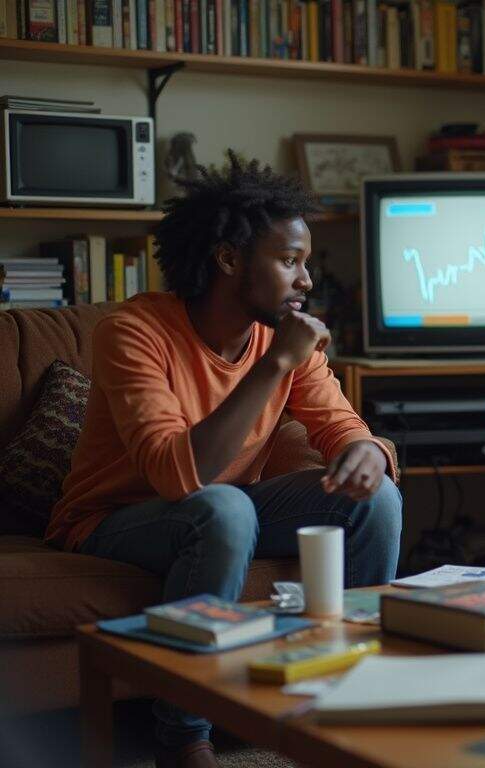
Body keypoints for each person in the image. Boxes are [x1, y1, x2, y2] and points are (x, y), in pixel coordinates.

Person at [46, 152, 403, 768]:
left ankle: (346, 694)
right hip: (114, 521)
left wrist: (364, 451)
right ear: (229, 259)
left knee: (375, 498)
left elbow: (338, 423)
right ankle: (183, 736)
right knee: (224, 508)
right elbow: (176, 474)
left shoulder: (284, 337)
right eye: (289, 261)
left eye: (306, 263)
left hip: (223, 508)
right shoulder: (133, 332)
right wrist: (275, 365)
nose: (307, 281)